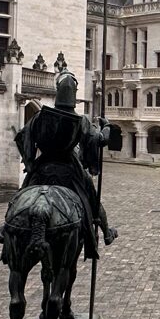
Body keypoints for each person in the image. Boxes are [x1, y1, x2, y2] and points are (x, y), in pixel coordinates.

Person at [14, 69, 117, 259]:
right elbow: (100, 140)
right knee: (91, 197)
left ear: (57, 91)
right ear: (74, 93)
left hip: (43, 166)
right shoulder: (80, 120)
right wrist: (107, 126)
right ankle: (107, 232)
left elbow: (22, 137)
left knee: (23, 192)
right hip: (69, 168)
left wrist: (30, 161)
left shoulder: (40, 115)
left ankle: (5, 226)